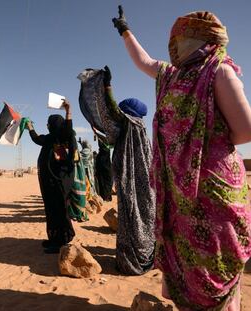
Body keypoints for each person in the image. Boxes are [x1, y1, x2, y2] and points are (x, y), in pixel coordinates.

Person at [112, 6, 251, 309]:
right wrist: (125, 32)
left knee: (214, 262)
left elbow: (245, 131)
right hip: (178, 194)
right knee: (187, 267)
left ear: (204, 38)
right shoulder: (172, 75)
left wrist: (201, 143)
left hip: (212, 190)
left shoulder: (219, 71)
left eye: (183, 35)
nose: (175, 42)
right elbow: (144, 61)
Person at [98, 66, 156, 275]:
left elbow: (111, 110)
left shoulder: (130, 125)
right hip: (146, 185)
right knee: (146, 217)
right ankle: (146, 257)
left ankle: (133, 261)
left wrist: (107, 86)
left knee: (132, 217)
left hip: (131, 184)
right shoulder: (139, 129)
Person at [26, 99, 77, 254]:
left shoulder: (64, 137)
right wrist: (30, 127)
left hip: (60, 182)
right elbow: (36, 139)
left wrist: (68, 111)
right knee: (50, 210)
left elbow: (68, 130)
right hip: (49, 183)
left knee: (60, 210)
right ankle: (54, 238)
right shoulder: (49, 138)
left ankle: (62, 240)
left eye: (49, 123)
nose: (48, 126)